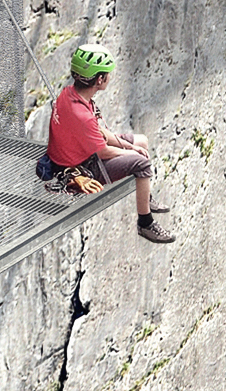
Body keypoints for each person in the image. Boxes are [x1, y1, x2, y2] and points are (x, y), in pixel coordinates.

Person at [44, 44, 173, 244]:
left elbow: (99, 131)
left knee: (142, 141)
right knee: (142, 163)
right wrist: (132, 154)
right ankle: (145, 223)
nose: (109, 77)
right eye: (107, 74)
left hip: (78, 151)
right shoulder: (81, 115)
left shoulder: (69, 94)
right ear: (99, 79)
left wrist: (130, 147)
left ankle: (145, 197)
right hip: (82, 167)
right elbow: (103, 152)